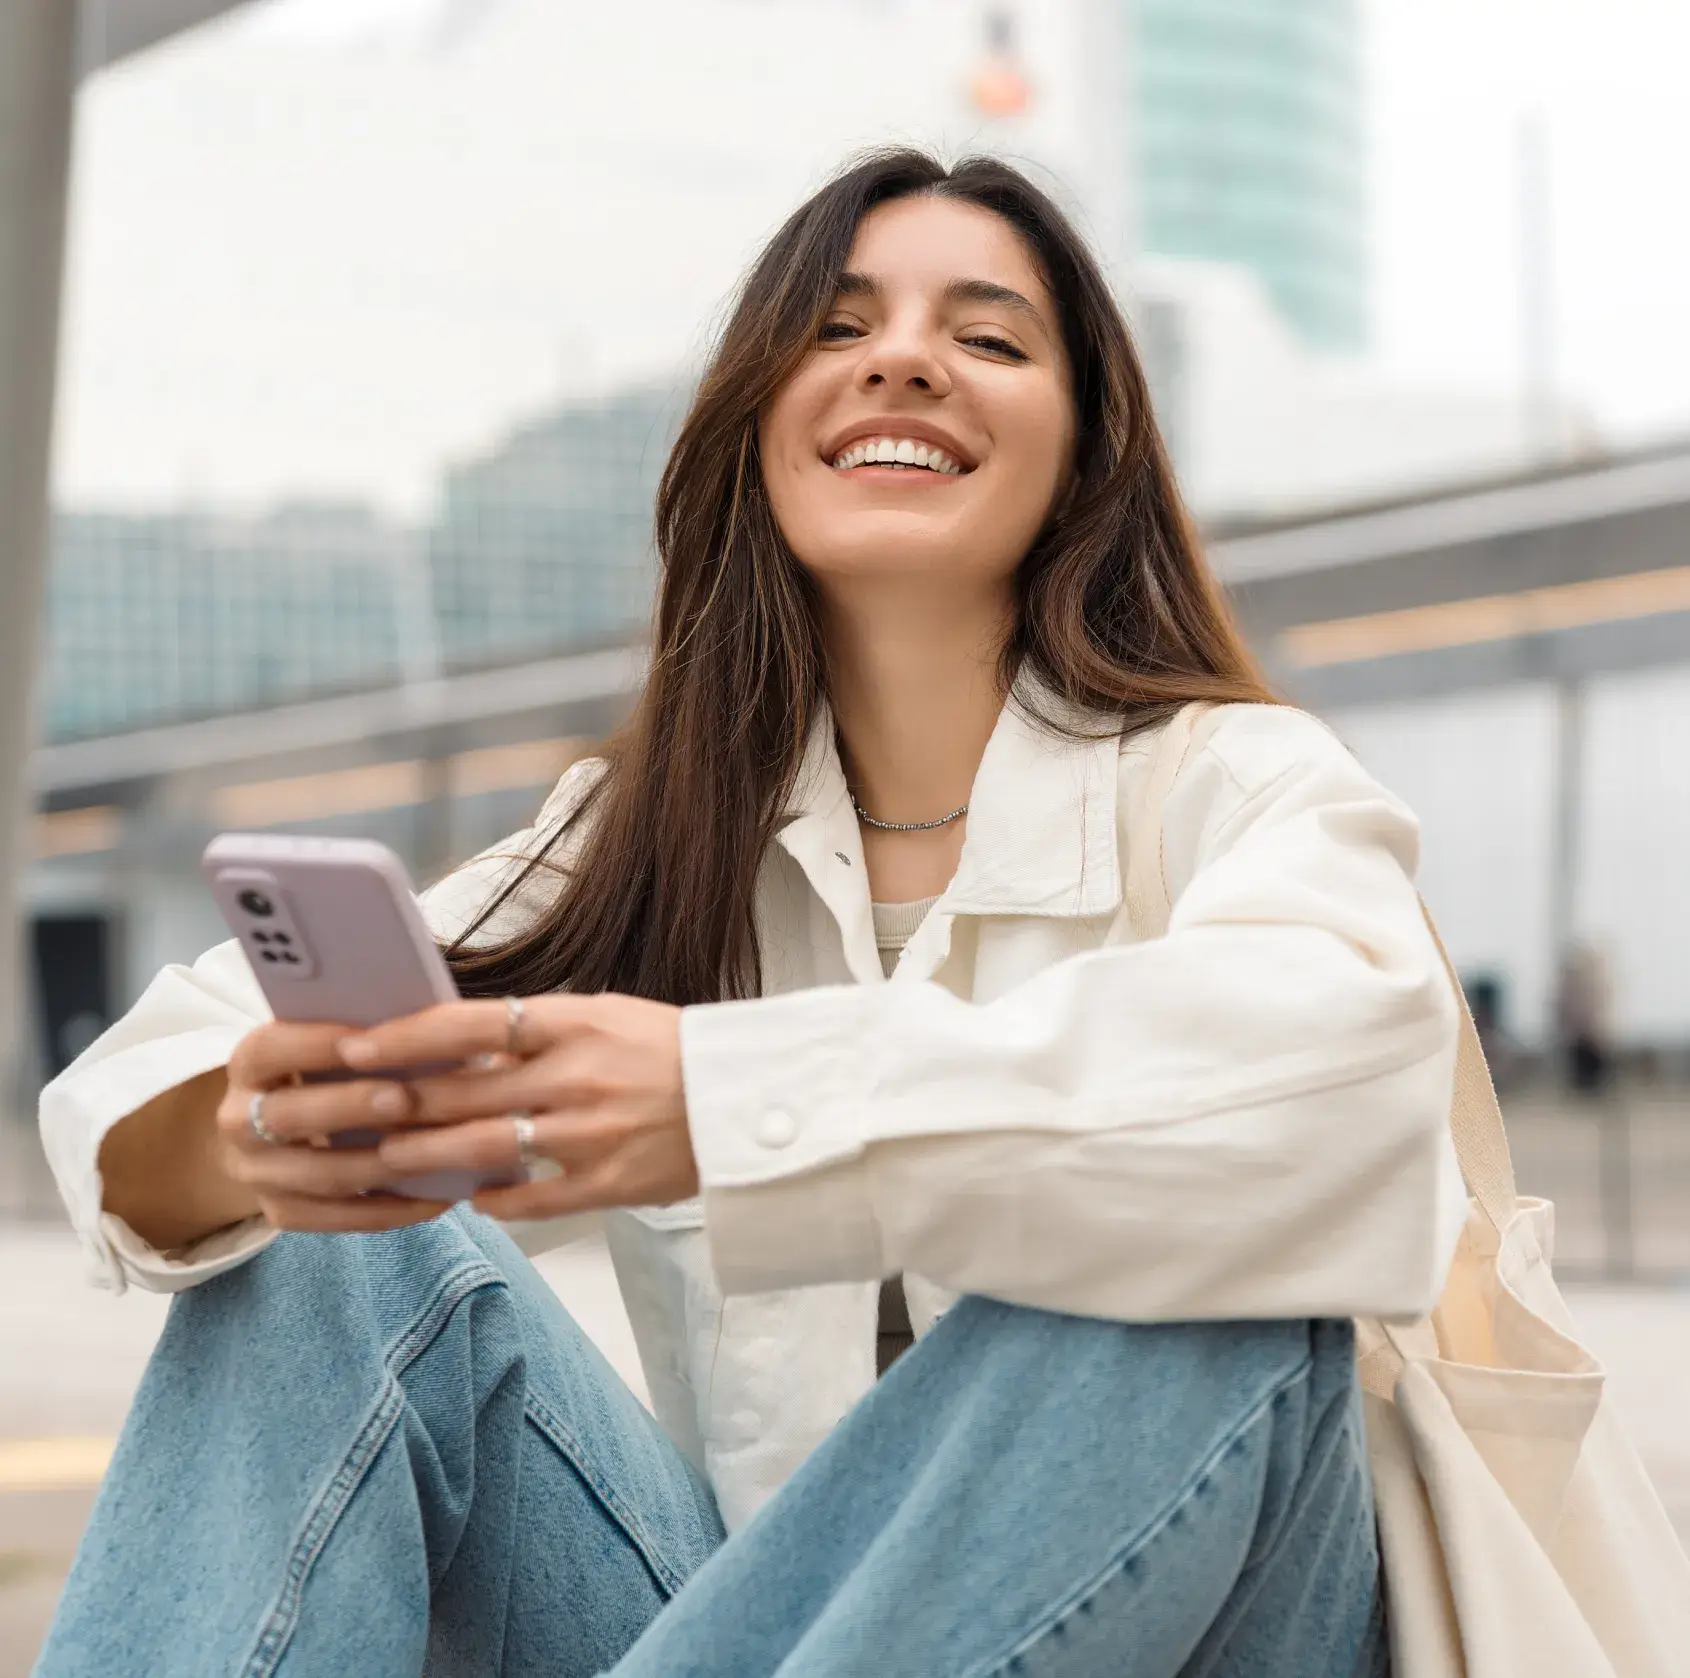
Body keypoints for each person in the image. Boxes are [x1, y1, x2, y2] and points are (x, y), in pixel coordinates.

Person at [35, 150, 1465, 1676]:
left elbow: (1355, 1098)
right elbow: (145, 1081)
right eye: (837, 328)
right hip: (752, 1623)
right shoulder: (655, 837)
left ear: (1085, 454)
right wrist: (251, 1135)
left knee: (1189, 1254)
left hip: (1213, 1625)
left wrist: (738, 1101)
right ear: (757, 425)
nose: (904, 358)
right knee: (330, 1238)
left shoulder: (1234, 783)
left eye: (986, 338)